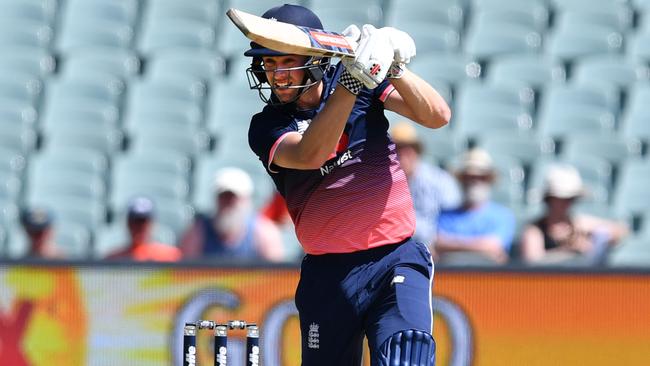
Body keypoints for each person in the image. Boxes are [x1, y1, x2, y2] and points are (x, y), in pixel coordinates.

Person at [243, 4, 450, 364]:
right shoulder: (267, 126)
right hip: (328, 276)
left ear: (315, 59)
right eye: (269, 64)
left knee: (407, 353)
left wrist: (394, 66)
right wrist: (355, 82)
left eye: (285, 62)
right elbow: (312, 154)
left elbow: (436, 116)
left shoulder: (357, 79)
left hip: (394, 259)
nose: (276, 75)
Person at [519, 164, 629, 265]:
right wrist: (568, 251)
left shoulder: (579, 223)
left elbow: (620, 230)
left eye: (570, 199)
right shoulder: (535, 230)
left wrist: (596, 241)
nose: (566, 204)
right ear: (549, 199)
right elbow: (533, 261)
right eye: (561, 199)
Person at [179, 167, 285, 262]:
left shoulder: (264, 233)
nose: (228, 203)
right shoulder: (198, 231)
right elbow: (185, 272)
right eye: (224, 196)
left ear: (246, 200)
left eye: (234, 198)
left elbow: (276, 276)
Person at [434, 148, 516, 265]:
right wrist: (480, 247)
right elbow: (437, 243)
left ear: (489, 180)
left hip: (490, 280)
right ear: (461, 180)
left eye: (480, 177)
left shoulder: (503, 216)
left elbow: (493, 246)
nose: (473, 182)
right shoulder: (445, 215)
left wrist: (452, 244)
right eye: (468, 177)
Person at [391, 121, 461, 247]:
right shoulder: (382, 183)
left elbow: (454, 217)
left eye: (407, 149)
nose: (402, 155)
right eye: (397, 149)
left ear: (417, 151)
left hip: (435, 249)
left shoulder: (439, 180)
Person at [106, 196, 182, 262]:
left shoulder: (171, 257)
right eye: (135, 221)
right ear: (128, 223)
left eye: (143, 222)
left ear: (152, 223)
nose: (139, 227)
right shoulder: (113, 260)